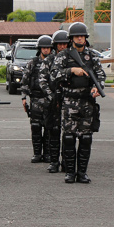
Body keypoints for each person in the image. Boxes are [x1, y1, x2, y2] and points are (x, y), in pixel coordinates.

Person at [51, 22, 105, 184]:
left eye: (82, 36)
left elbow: (100, 75)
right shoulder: (64, 56)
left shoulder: (92, 56)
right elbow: (53, 75)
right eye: (77, 36)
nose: (80, 38)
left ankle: (82, 172)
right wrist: (71, 71)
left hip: (87, 102)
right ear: (72, 38)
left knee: (86, 138)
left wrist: (98, 87)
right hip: (69, 101)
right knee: (69, 137)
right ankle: (69, 172)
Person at [21, 35, 53, 163]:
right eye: (43, 48)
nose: (46, 50)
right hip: (35, 100)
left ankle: (48, 154)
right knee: (35, 127)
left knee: (49, 128)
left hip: (49, 100)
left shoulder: (54, 62)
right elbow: (25, 81)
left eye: (48, 48)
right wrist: (24, 98)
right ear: (39, 48)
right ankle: (37, 153)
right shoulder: (33, 63)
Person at [45, 30, 69, 173]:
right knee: (54, 132)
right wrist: (51, 96)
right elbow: (42, 80)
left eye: (65, 44)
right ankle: (54, 161)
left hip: (69, 101)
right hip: (54, 101)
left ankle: (67, 161)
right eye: (59, 44)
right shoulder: (49, 60)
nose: (62, 46)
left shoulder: (74, 59)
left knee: (68, 134)